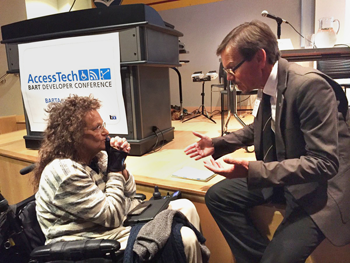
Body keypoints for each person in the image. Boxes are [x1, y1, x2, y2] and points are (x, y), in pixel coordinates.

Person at [184, 20, 350, 263]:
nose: (229, 78)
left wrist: (253, 169)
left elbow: (324, 163)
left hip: (318, 190)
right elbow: (260, 128)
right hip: (287, 177)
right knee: (217, 197)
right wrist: (217, 144)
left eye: (232, 69)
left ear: (260, 58)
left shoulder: (309, 86)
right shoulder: (268, 83)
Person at [34, 94, 209, 263]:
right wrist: (115, 170)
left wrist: (121, 166)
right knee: (184, 238)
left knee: (185, 206)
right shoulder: (65, 172)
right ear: (74, 137)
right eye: (97, 128)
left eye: (103, 125)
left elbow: (131, 193)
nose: (106, 132)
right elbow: (112, 216)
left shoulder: (96, 158)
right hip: (93, 239)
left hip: (113, 224)